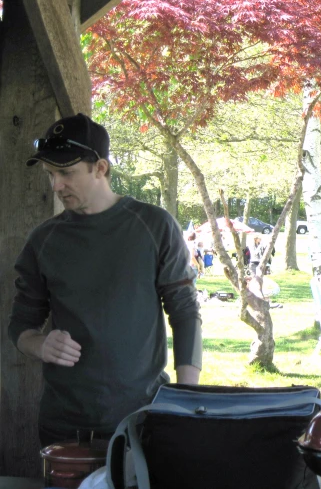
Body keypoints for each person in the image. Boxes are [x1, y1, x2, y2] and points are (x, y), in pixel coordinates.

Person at [8, 113, 203, 448]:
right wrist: (41, 344)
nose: (56, 185)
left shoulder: (154, 226)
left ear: (100, 168)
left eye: (66, 172)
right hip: (63, 427)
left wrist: (184, 399)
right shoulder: (44, 240)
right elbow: (21, 326)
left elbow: (184, 312)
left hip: (140, 421)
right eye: (51, 174)